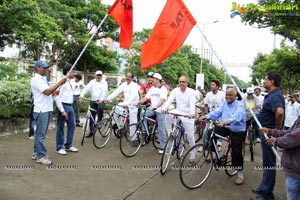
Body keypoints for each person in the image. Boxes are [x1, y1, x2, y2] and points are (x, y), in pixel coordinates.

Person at [199, 88, 246, 185]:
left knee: (236, 151)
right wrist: (207, 116)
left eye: (230, 95)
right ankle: (214, 155)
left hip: (237, 129)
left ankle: (240, 174)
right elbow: (217, 111)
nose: (227, 96)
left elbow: (238, 116)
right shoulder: (224, 103)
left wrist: (228, 121)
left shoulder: (239, 105)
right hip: (225, 126)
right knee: (211, 132)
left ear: (235, 96)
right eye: (226, 94)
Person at [251, 72, 285, 200]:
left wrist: (275, 131)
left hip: (268, 136)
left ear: (272, 82)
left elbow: (280, 112)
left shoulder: (275, 96)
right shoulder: (272, 95)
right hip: (265, 134)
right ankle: (264, 187)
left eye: (265, 79)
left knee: (269, 164)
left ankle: (267, 195)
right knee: (266, 163)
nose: (264, 81)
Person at [30, 60, 67, 165]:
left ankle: (36, 153)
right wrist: (59, 83)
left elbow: (47, 90)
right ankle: (41, 156)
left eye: (46, 67)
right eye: (43, 67)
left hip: (46, 109)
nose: (46, 69)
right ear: (37, 68)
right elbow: (46, 92)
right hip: (41, 110)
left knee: (40, 134)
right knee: (41, 135)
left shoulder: (43, 79)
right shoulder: (35, 79)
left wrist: (54, 91)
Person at [259, 116, 300, 200]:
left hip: (296, 171)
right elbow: (289, 132)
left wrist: (275, 141)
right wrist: (271, 131)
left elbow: (292, 138)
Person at [162, 76, 196, 161]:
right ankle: (172, 138)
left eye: (183, 82)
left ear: (187, 83)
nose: (181, 83)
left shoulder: (191, 92)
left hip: (188, 115)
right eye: (180, 81)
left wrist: (192, 113)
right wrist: (164, 108)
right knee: (169, 119)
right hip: (178, 112)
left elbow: (192, 103)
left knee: (190, 136)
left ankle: (192, 157)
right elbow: (169, 100)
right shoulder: (175, 90)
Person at [135, 73, 168, 153]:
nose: (151, 80)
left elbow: (162, 100)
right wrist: (138, 102)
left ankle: (163, 147)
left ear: (157, 79)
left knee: (161, 129)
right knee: (143, 114)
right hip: (153, 109)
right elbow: (146, 98)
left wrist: (156, 106)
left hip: (160, 110)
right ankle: (144, 131)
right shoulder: (152, 88)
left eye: (153, 79)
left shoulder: (163, 89)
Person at [106, 72, 140, 146]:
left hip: (133, 105)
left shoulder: (135, 86)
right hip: (125, 103)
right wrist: (108, 98)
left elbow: (134, 96)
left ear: (132, 78)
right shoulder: (124, 84)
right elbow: (117, 91)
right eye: (126, 76)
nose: (127, 78)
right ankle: (116, 125)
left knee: (132, 121)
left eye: (129, 77)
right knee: (115, 108)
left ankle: (134, 139)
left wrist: (127, 104)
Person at [55, 64, 78, 155]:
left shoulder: (71, 82)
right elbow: (57, 97)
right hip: (63, 106)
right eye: (73, 71)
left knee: (72, 125)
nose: (74, 73)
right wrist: (62, 110)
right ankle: (59, 147)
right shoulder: (61, 81)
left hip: (70, 106)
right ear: (68, 72)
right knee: (60, 127)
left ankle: (68, 145)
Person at [79, 70, 108, 137]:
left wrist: (101, 99)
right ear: (95, 76)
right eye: (97, 75)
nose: (98, 77)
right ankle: (91, 131)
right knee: (92, 115)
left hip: (101, 100)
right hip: (93, 100)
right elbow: (86, 88)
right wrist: (81, 95)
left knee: (100, 109)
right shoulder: (92, 82)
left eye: (100, 75)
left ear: (101, 76)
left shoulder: (104, 82)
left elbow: (105, 91)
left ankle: (100, 121)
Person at [203, 80, 225, 151]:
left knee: (219, 132)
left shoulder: (222, 94)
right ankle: (204, 146)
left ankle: (219, 144)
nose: (211, 86)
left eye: (213, 85)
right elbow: (205, 105)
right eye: (211, 84)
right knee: (206, 132)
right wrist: (207, 114)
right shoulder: (208, 94)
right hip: (211, 116)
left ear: (217, 87)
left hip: (220, 116)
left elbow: (225, 105)